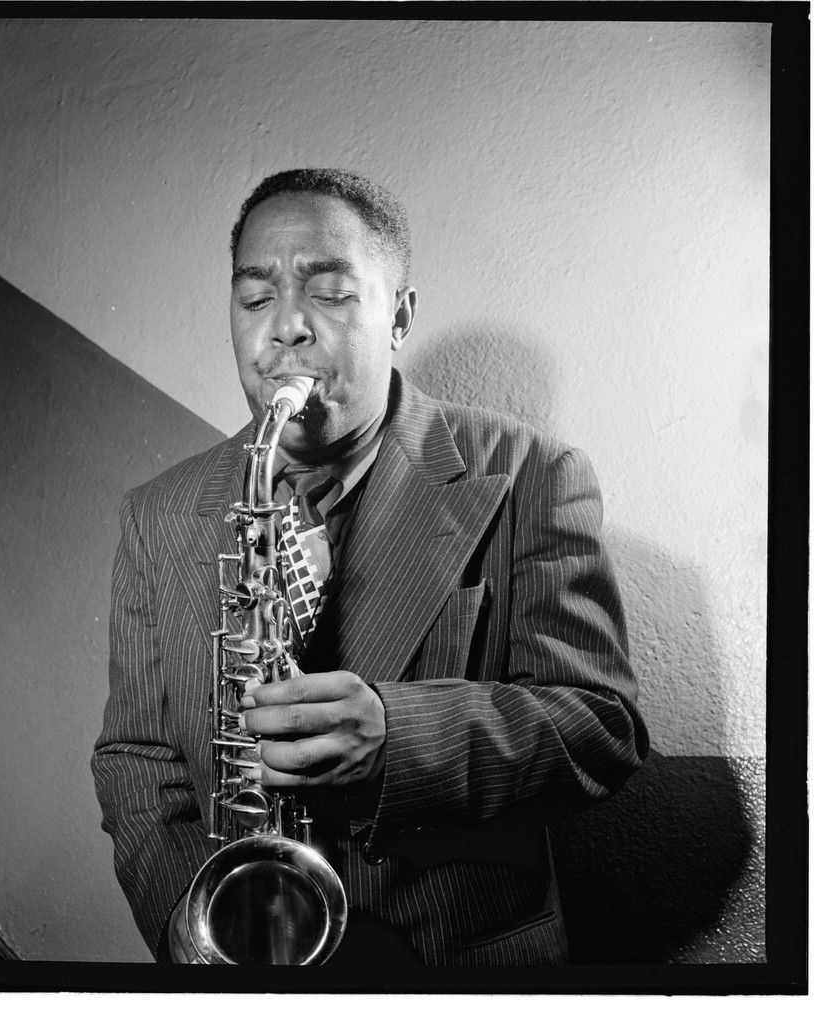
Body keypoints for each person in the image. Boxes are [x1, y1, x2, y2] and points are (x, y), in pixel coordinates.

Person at [92, 168, 649, 966]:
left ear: (399, 316)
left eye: (329, 292)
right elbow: (136, 759)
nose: (284, 328)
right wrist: (199, 927)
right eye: (254, 299)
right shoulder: (156, 513)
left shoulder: (535, 473)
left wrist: (396, 738)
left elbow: (603, 727)